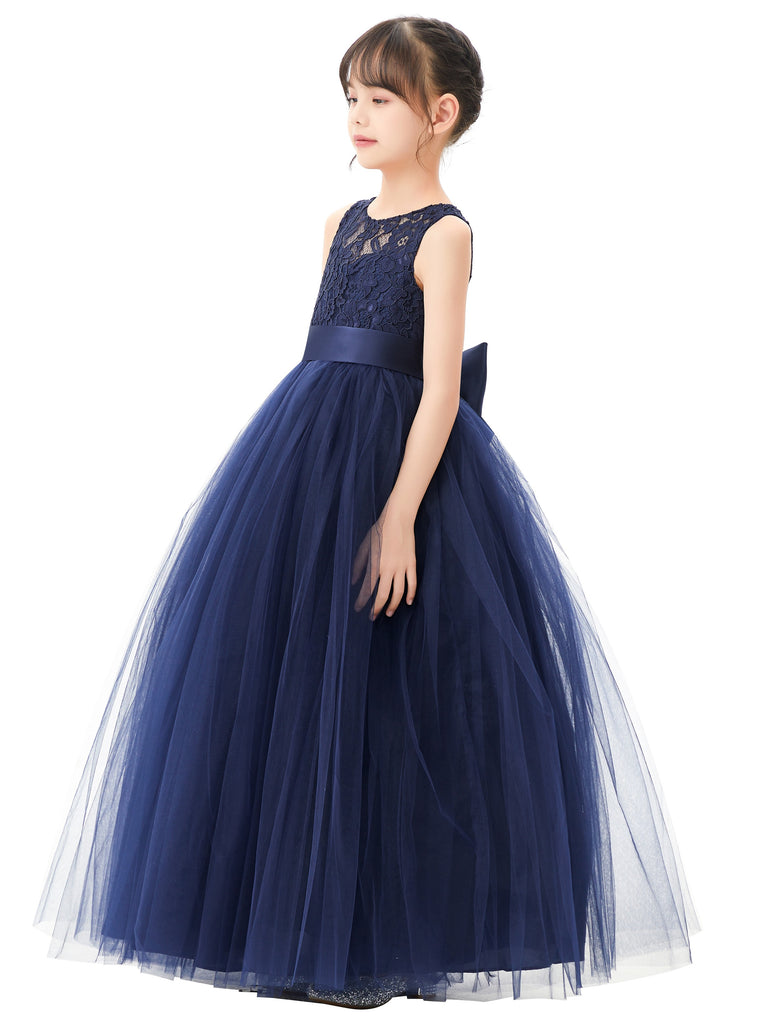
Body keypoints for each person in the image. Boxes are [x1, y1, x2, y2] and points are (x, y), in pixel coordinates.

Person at [32, 15, 701, 1010]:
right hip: (305, 460)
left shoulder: (447, 234)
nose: (358, 114)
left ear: (441, 114)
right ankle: (297, 932)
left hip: (405, 470)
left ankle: (391, 938)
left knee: (400, 694)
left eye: (381, 97)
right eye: (350, 96)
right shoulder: (340, 224)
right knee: (296, 683)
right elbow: (325, 349)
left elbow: (441, 391)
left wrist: (397, 518)